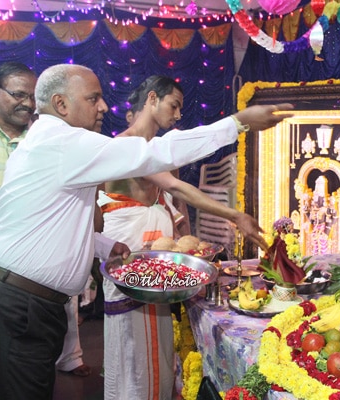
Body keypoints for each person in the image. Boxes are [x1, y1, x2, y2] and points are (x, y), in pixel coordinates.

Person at [0, 63, 292, 400]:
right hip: (24, 305)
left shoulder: (52, 143)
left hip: (29, 303)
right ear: (61, 104)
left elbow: (47, 221)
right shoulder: (65, 143)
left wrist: (102, 245)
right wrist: (238, 122)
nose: (104, 107)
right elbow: (155, 156)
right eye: (93, 98)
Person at [99, 75, 270, 400]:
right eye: (173, 105)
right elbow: (178, 189)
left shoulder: (156, 151)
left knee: (160, 350)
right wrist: (235, 216)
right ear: (152, 99)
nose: (178, 115)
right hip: (130, 262)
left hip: (156, 264)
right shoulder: (126, 146)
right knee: (133, 351)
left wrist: (185, 244)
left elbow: (173, 203)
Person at [0, 61, 92, 379]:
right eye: (17, 93)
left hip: (28, 291)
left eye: (32, 95)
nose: (26, 102)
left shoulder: (45, 142)